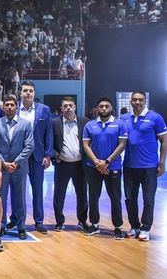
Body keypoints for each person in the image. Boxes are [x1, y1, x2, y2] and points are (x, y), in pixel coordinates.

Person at [121, 91, 166, 241]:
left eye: (140, 100)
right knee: (129, 198)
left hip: (149, 166)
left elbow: (164, 141)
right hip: (129, 166)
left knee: (148, 199)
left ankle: (145, 229)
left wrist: (162, 163)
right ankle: (134, 226)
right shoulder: (124, 118)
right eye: (134, 100)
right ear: (131, 101)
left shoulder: (155, 118)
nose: (137, 102)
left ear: (145, 101)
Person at [82, 97, 128, 239]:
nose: (103, 109)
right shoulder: (90, 125)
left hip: (112, 166)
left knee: (115, 198)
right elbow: (85, 146)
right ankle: (94, 224)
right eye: (101, 106)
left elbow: (122, 145)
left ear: (111, 108)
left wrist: (107, 161)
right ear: (97, 109)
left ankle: (118, 227)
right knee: (93, 196)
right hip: (93, 167)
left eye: (106, 106)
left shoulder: (120, 124)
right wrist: (97, 162)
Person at [0, 94, 34, 239]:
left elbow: (29, 146)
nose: (9, 107)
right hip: (1, 168)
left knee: (19, 198)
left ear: (16, 107)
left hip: (19, 168)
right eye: (6, 105)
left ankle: (21, 226)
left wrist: (16, 162)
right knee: (1, 198)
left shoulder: (25, 124)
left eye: (12, 105)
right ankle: (1, 225)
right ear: (3, 107)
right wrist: (3, 162)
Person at [16, 81, 53, 234]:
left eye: (31, 91)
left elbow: (48, 133)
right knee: (19, 191)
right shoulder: (13, 109)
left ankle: (39, 221)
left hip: (37, 156)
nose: (28, 93)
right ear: (21, 93)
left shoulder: (44, 110)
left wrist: (48, 154)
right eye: (25, 91)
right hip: (19, 156)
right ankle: (19, 221)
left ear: (34, 93)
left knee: (37, 189)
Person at [52, 97, 90, 232]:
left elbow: (89, 141)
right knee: (59, 194)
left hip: (80, 164)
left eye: (70, 105)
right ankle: (59, 221)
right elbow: (50, 142)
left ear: (75, 107)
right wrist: (55, 156)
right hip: (62, 164)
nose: (68, 108)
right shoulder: (55, 123)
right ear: (61, 109)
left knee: (82, 194)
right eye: (65, 106)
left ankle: (82, 220)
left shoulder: (84, 122)